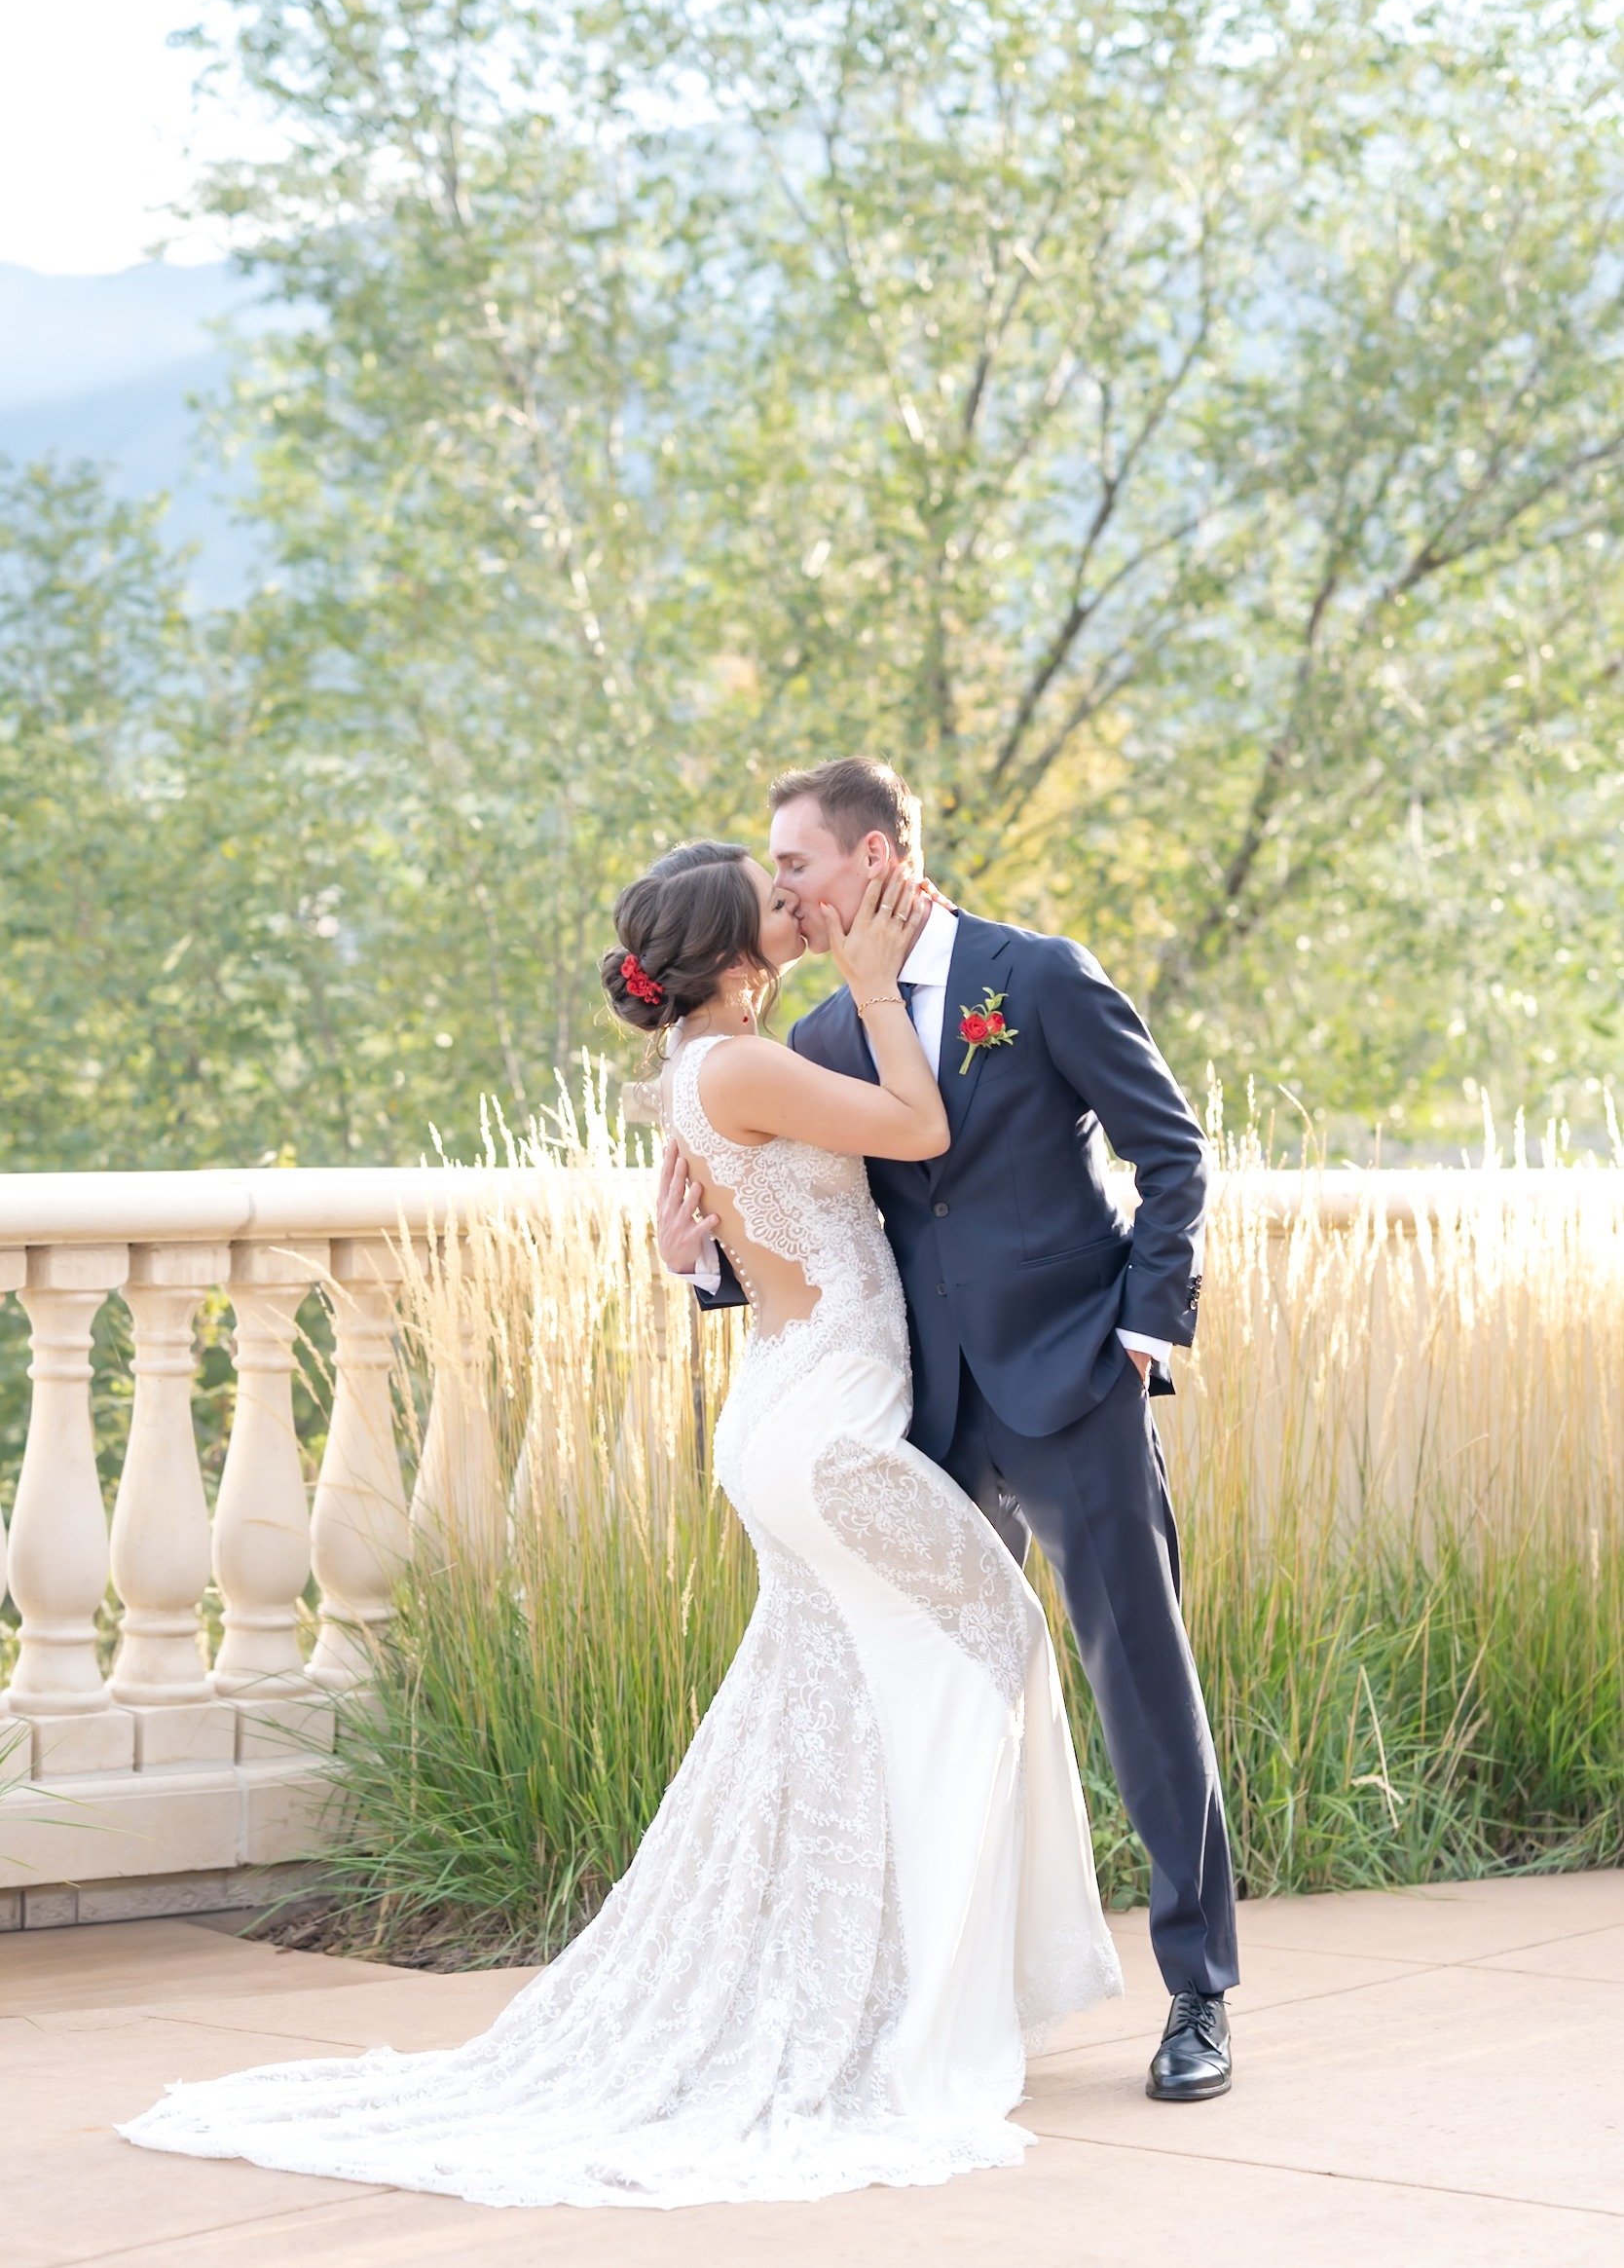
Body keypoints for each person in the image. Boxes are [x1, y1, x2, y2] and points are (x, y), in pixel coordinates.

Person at [118, 839, 1122, 2210]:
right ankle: (935, 2005)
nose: (801, 916)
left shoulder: (697, 1079)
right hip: (823, 1433)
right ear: (726, 958)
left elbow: (748, 1231)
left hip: (793, 1408)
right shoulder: (737, 1062)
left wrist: (687, 1253)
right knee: (992, 1637)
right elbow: (921, 1130)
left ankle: (900, 1985)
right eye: (777, 910)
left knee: (823, 1709)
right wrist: (884, 988)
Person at [661, 760, 1237, 2101]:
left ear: (878, 854)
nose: (785, 889)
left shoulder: (1033, 979)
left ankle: (1199, 1992)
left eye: (796, 864)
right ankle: (941, 1989)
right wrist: (702, 1269)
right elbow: (814, 1223)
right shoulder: (817, 1037)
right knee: (926, 1690)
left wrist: (1143, 1337)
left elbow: (1175, 1154)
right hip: (909, 1415)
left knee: (1139, 1682)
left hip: (1070, 1387)